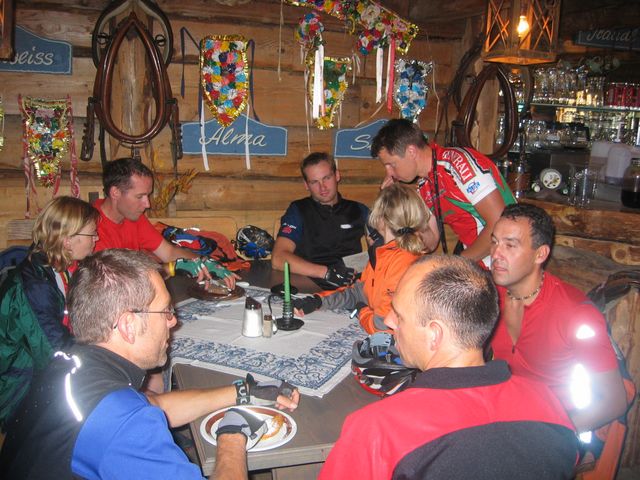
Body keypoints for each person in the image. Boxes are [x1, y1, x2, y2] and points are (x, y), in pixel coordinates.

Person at [0, 249, 300, 479]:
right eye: (166, 311)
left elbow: (153, 405)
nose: (173, 321)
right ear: (128, 325)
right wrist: (232, 436)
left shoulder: (68, 362)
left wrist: (243, 392)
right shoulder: (123, 425)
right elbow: (129, 419)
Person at [320, 255, 578, 479]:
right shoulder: (549, 404)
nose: (388, 321)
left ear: (435, 335)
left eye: (399, 315)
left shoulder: (378, 429)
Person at [489, 203, 627, 436]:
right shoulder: (491, 297)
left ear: (540, 254)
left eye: (510, 245)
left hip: (558, 428)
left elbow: (614, 401)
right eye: (494, 242)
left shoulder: (576, 314)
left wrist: (555, 436)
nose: (496, 254)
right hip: (508, 420)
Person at [0, 196, 99, 428]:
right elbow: (55, 351)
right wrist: (103, 356)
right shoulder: (34, 286)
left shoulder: (58, 268)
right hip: (19, 387)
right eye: (92, 234)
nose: (96, 239)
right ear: (67, 240)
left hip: (39, 374)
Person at [371, 118, 515, 267]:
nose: (389, 173)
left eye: (391, 164)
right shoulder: (424, 185)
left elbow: (500, 222)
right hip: (480, 262)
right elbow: (430, 243)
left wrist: (456, 263)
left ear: (411, 151)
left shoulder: (457, 163)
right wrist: (398, 208)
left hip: (508, 259)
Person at [293, 183, 427, 334]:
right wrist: (318, 301)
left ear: (381, 219)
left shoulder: (402, 261)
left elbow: (384, 326)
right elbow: (359, 292)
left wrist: (361, 311)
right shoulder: (383, 254)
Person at [94, 157, 236, 289]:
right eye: (140, 196)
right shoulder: (91, 228)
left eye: (148, 195)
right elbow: (116, 285)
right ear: (115, 192)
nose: (147, 204)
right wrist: (169, 269)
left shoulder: (134, 217)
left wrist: (205, 262)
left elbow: (169, 252)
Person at [271, 152, 369, 288]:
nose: (322, 187)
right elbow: (278, 259)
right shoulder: (299, 210)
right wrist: (327, 273)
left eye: (326, 178)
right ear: (306, 185)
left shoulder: (358, 209)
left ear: (337, 176)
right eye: (314, 182)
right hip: (312, 286)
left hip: (351, 287)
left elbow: (384, 247)